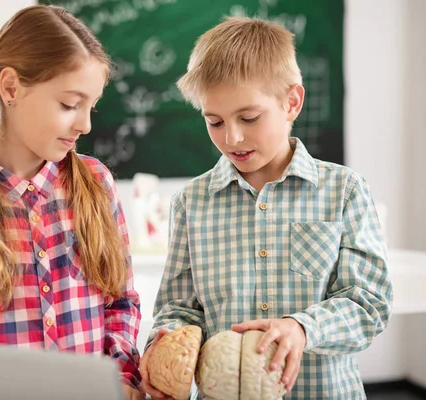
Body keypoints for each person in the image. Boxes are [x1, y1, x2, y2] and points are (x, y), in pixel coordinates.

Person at [140, 16, 392, 400]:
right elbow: (179, 310)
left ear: (291, 102)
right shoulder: (191, 203)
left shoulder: (345, 191)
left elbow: (369, 304)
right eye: (214, 121)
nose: (232, 137)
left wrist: (303, 328)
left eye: (249, 118)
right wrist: (165, 346)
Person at [0, 5, 144, 399]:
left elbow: (121, 303)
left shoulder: (97, 183)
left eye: (91, 106)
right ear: (11, 88)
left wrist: (121, 377)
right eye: (70, 104)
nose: (85, 124)